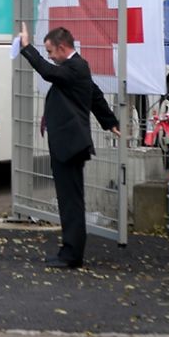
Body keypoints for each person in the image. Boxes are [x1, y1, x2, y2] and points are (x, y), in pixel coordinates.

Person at [18, 22, 121, 269]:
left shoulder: (74, 67)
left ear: (63, 48)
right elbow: (94, 95)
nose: (50, 58)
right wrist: (109, 122)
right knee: (69, 199)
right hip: (69, 144)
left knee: (71, 201)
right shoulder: (76, 68)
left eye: (51, 52)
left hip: (70, 146)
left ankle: (72, 254)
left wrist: (27, 47)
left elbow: (46, 72)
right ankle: (68, 250)